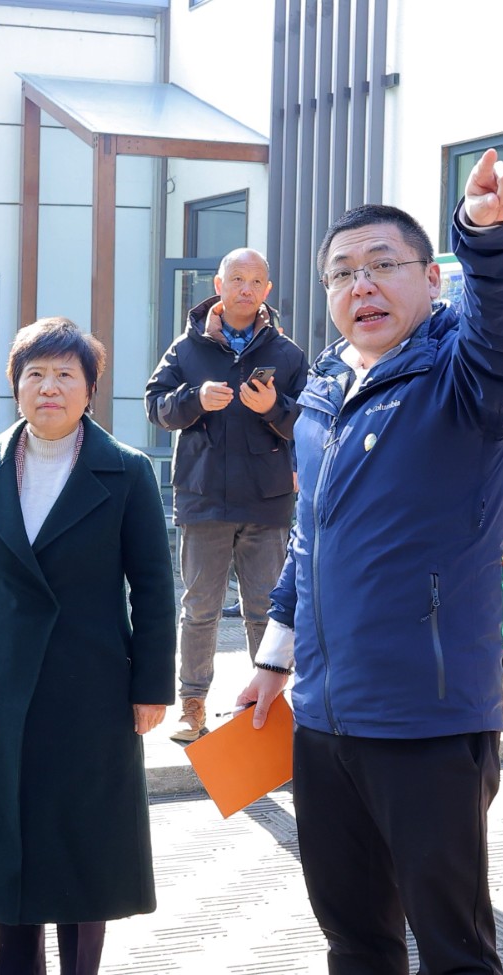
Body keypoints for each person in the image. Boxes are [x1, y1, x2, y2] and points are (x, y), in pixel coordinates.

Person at [238, 150, 503, 975]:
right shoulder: (323, 391)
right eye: (342, 273)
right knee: (355, 940)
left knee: (452, 953)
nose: (362, 286)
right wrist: (274, 657)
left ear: (431, 278)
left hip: (428, 719)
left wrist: (493, 237)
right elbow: (311, 536)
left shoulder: (468, 377)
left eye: (383, 265)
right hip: (324, 721)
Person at [0, 317, 173, 975]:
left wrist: (151, 685)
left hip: (91, 683)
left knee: (82, 843)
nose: (50, 387)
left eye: (66, 374)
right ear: (16, 385)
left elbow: (153, 587)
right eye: (35, 374)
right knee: (6, 834)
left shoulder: (127, 472)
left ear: (91, 388)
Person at [144, 248, 307, 742]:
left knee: (268, 611)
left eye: (255, 280)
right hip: (203, 496)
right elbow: (155, 407)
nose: (245, 288)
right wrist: (194, 399)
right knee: (199, 609)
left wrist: (275, 407)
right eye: (236, 278)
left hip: (266, 500)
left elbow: (310, 424)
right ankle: (192, 706)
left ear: (267, 291)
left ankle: (269, 711)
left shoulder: (287, 354)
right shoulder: (185, 349)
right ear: (218, 285)